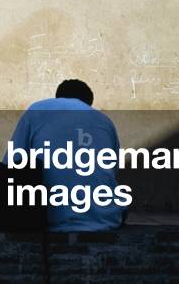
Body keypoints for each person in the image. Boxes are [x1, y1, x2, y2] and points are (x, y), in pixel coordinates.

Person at [7, 79, 125, 231]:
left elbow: (12, 163)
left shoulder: (37, 109)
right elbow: (112, 171)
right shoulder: (104, 121)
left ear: (58, 97)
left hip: (46, 218)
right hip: (104, 219)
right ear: (88, 103)